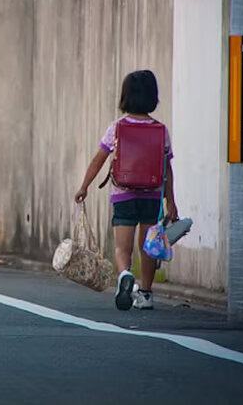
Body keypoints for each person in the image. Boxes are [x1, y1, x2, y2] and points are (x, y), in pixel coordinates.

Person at [74, 70, 178, 311]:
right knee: (149, 247)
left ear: (125, 96)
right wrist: (170, 201)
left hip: (124, 193)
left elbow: (98, 159)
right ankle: (146, 294)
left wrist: (84, 186)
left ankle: (124, 277)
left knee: (123, 247)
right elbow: (167, 168)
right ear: (153, 96)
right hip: (152, 194)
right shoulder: (161, 130)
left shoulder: (117, 128)